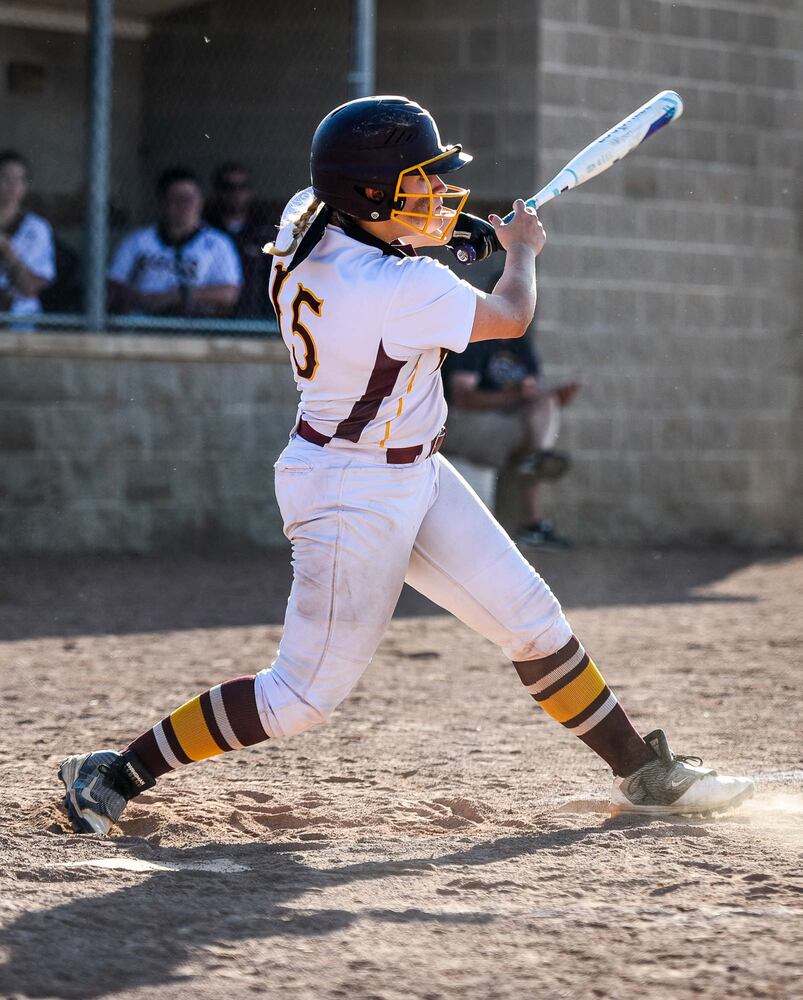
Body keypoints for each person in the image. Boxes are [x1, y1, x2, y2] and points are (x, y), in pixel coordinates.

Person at [58, 96, 753, 835]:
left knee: (530, 620)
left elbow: (385, 237)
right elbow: (510, 313)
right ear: (368, 195)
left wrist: (457, 231)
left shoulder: (308, 219)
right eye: (418, 182)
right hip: (350, 494)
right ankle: (116, 772)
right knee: (300, 697)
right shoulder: (402, 289)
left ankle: (644, 773)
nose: (435, 193)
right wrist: (519, 250)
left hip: (406, 471)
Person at [443, 328, 579, 549]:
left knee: (546, 403)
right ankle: (532, 520)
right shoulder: (476, 338)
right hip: (463, 424)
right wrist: (514, 395)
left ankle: (537, 459)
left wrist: (557, 398)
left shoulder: (521, 344)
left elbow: (531, 395)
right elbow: (463, 398)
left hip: (506, 424)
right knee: (532, 442)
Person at [107, 167, 242, 317]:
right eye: (178, 199)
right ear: (163, 202)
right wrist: (144, 300)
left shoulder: (218, 243)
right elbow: (114, 284)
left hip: (192, 325)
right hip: (141, 322)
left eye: (190, 198)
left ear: (201, 201)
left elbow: (229, 293)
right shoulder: (139, 240)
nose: (185, 206)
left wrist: (174, 297)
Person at [203, 162, 275, 317]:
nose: (236, 193)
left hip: (254, 316)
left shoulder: (262, 233)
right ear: (217, 191)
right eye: (228, 187)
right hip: (211, 317)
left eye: (242, 186)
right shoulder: (204, 232)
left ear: (250, 192)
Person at [0, 150, 55, 322]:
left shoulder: (37, 228)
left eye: (19, 180)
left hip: (20, 318)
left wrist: (8, 252)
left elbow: (29, 288)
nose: (12, 186)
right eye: (6, 178)